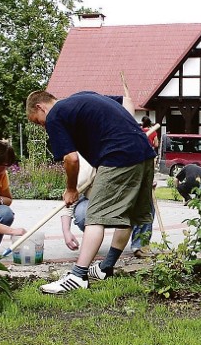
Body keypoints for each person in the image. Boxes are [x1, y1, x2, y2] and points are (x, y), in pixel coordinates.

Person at [26, 90, 156, 294]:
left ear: (40, 107)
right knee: (129, 214)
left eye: (38, 122)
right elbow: (126, 101)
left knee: (94, 217)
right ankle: (106, 268)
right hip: (144, 151)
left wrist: (70, 189)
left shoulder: (55, 115)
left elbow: (71, 159)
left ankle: (78, 276)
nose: (43, 126)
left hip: (118, 156)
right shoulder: (81, 97)